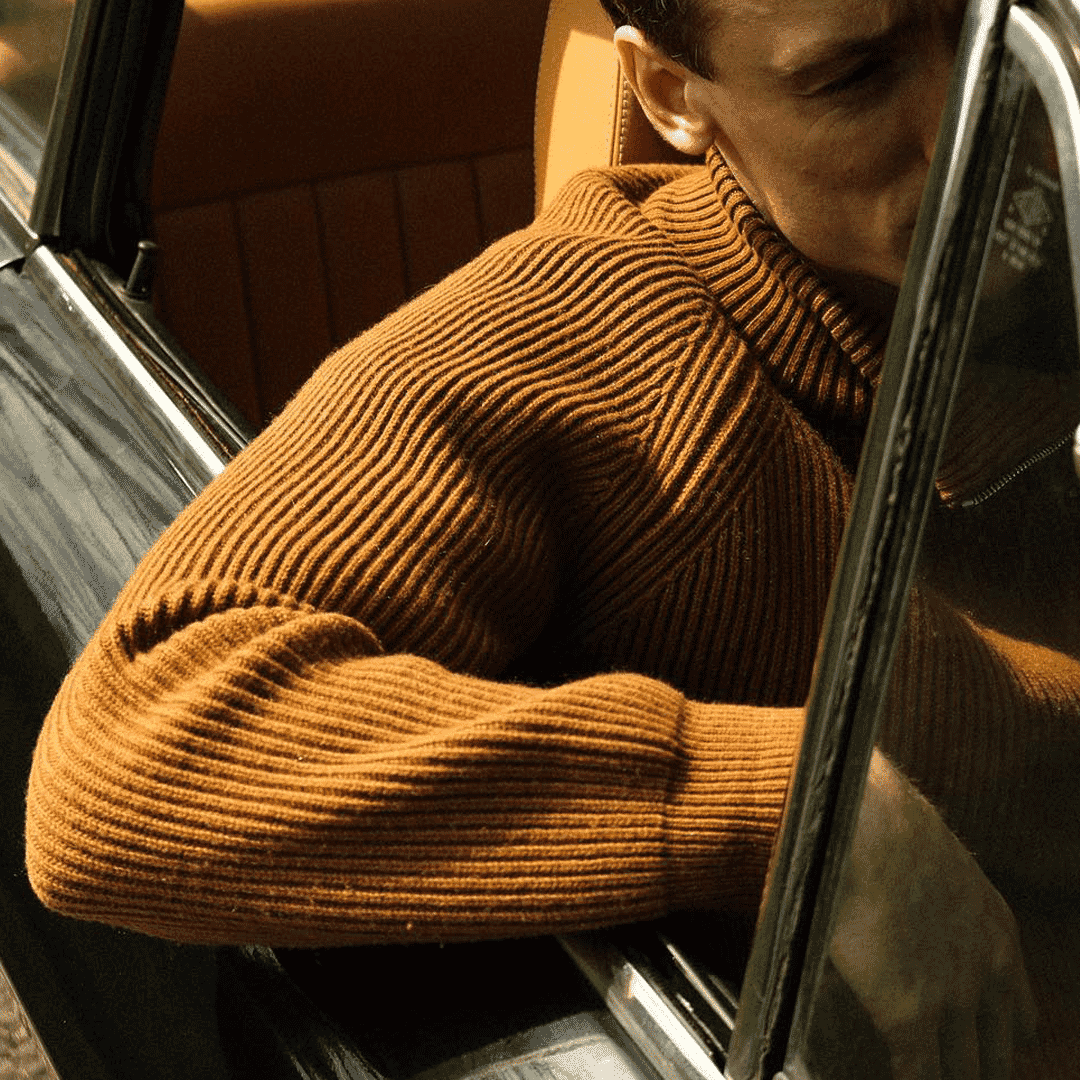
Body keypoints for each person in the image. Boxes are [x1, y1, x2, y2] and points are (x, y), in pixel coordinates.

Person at [25, 0, 1057, 1074]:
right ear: (671, 97)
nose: (977, 125)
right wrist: (808, 806)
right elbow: (141, 748)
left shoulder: (1045, 224)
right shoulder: (592, 334)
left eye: (998, 26)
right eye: (853, 80)